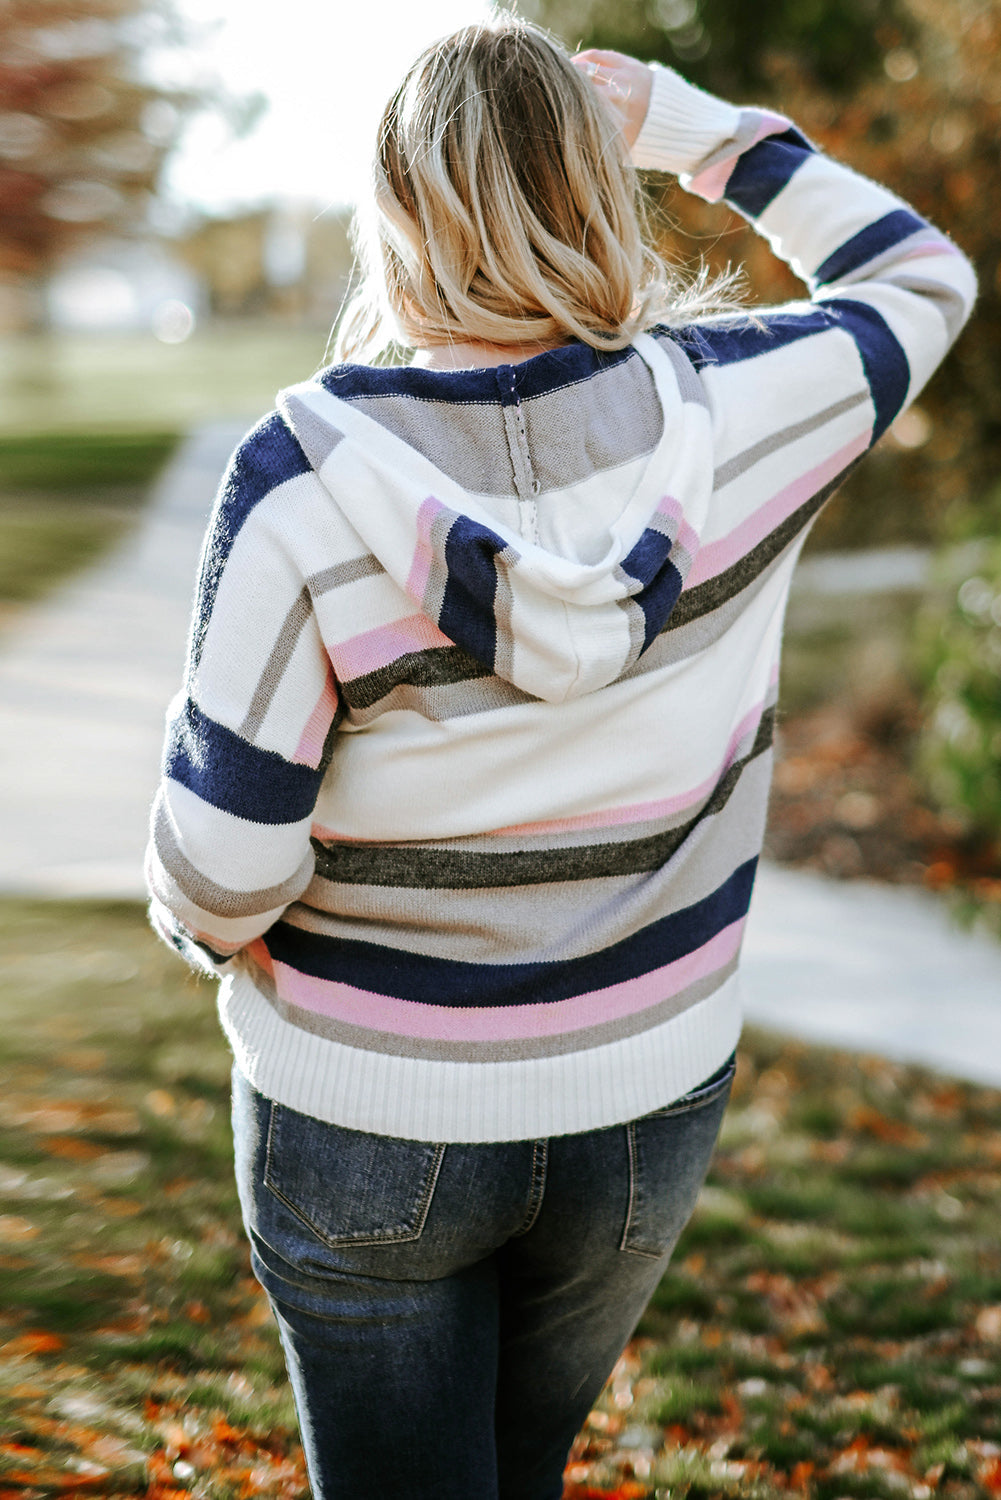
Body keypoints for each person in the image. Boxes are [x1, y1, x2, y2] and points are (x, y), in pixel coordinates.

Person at [145, 17, 975, 1500]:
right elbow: (923, 274)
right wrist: (697, 125)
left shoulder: (302, 480)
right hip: (644, 1099)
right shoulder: (746, 407)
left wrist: (203, 929)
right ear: (603, 192)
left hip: (367, 1110)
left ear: (397, 211)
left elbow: (221, 869)